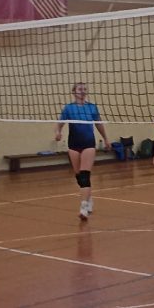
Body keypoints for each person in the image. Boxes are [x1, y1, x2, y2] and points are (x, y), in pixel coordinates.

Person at [54, 82, 110, 220]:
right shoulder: (69, 108)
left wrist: (106, 139)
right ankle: (89, 198)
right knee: (79, 176)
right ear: (74, 92)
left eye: (85, 89)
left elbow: (99, 124)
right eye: (80, 89)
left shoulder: (92, 107)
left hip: (88, 144)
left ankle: (84, 207)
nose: (83, 91)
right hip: (73, 144)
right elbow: (59, 124)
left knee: (85, 175)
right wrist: (58, 132)